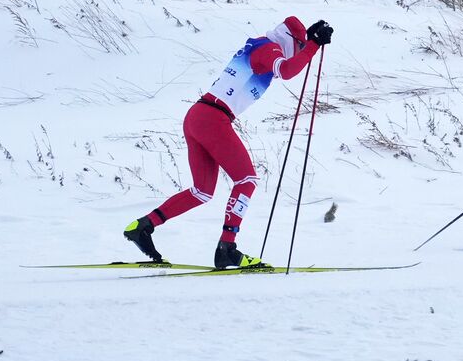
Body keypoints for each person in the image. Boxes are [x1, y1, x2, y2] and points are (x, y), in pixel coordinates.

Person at [123, 16, 334, 268]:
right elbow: (287, 71)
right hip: (213, 118)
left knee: (201, 191)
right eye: (298, 46)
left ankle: (143, 226)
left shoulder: (264, 45)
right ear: (291, 41)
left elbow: (286, 66)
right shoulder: (270, 49)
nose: (298, 52)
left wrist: (309, 42)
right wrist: (313, 45)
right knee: (247, 180)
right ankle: (227, 248)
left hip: (198, 116)